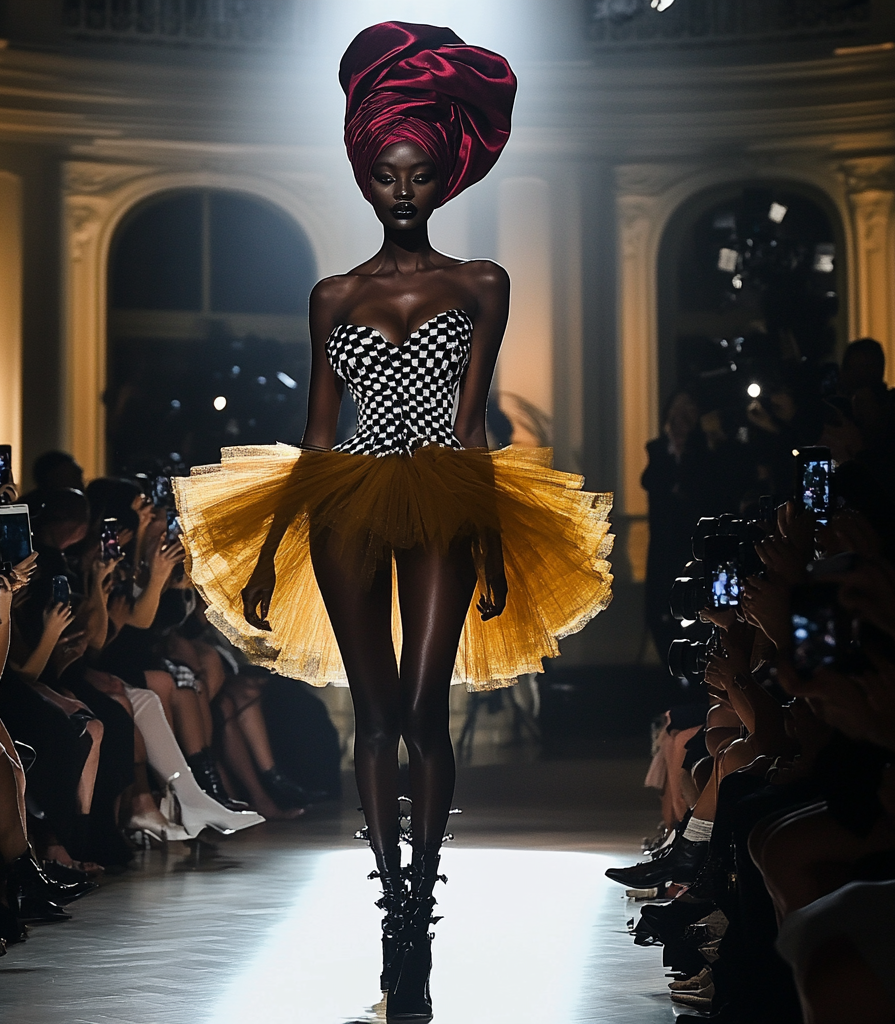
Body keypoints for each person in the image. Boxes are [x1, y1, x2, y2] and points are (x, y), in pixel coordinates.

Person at [173, 21, 613, 1021]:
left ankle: (425, 890)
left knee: (426, 707)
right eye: (386, 174)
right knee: (374, 716)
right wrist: (270, 548)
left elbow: (473, 425)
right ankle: (393, 908)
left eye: (416, 172)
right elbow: (317, 433)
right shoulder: (332, 295)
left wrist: (494, 538)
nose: (402, 187)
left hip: (446, 490)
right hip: (347, 498)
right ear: (366, 181)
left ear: (438, 177)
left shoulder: (480, 282)